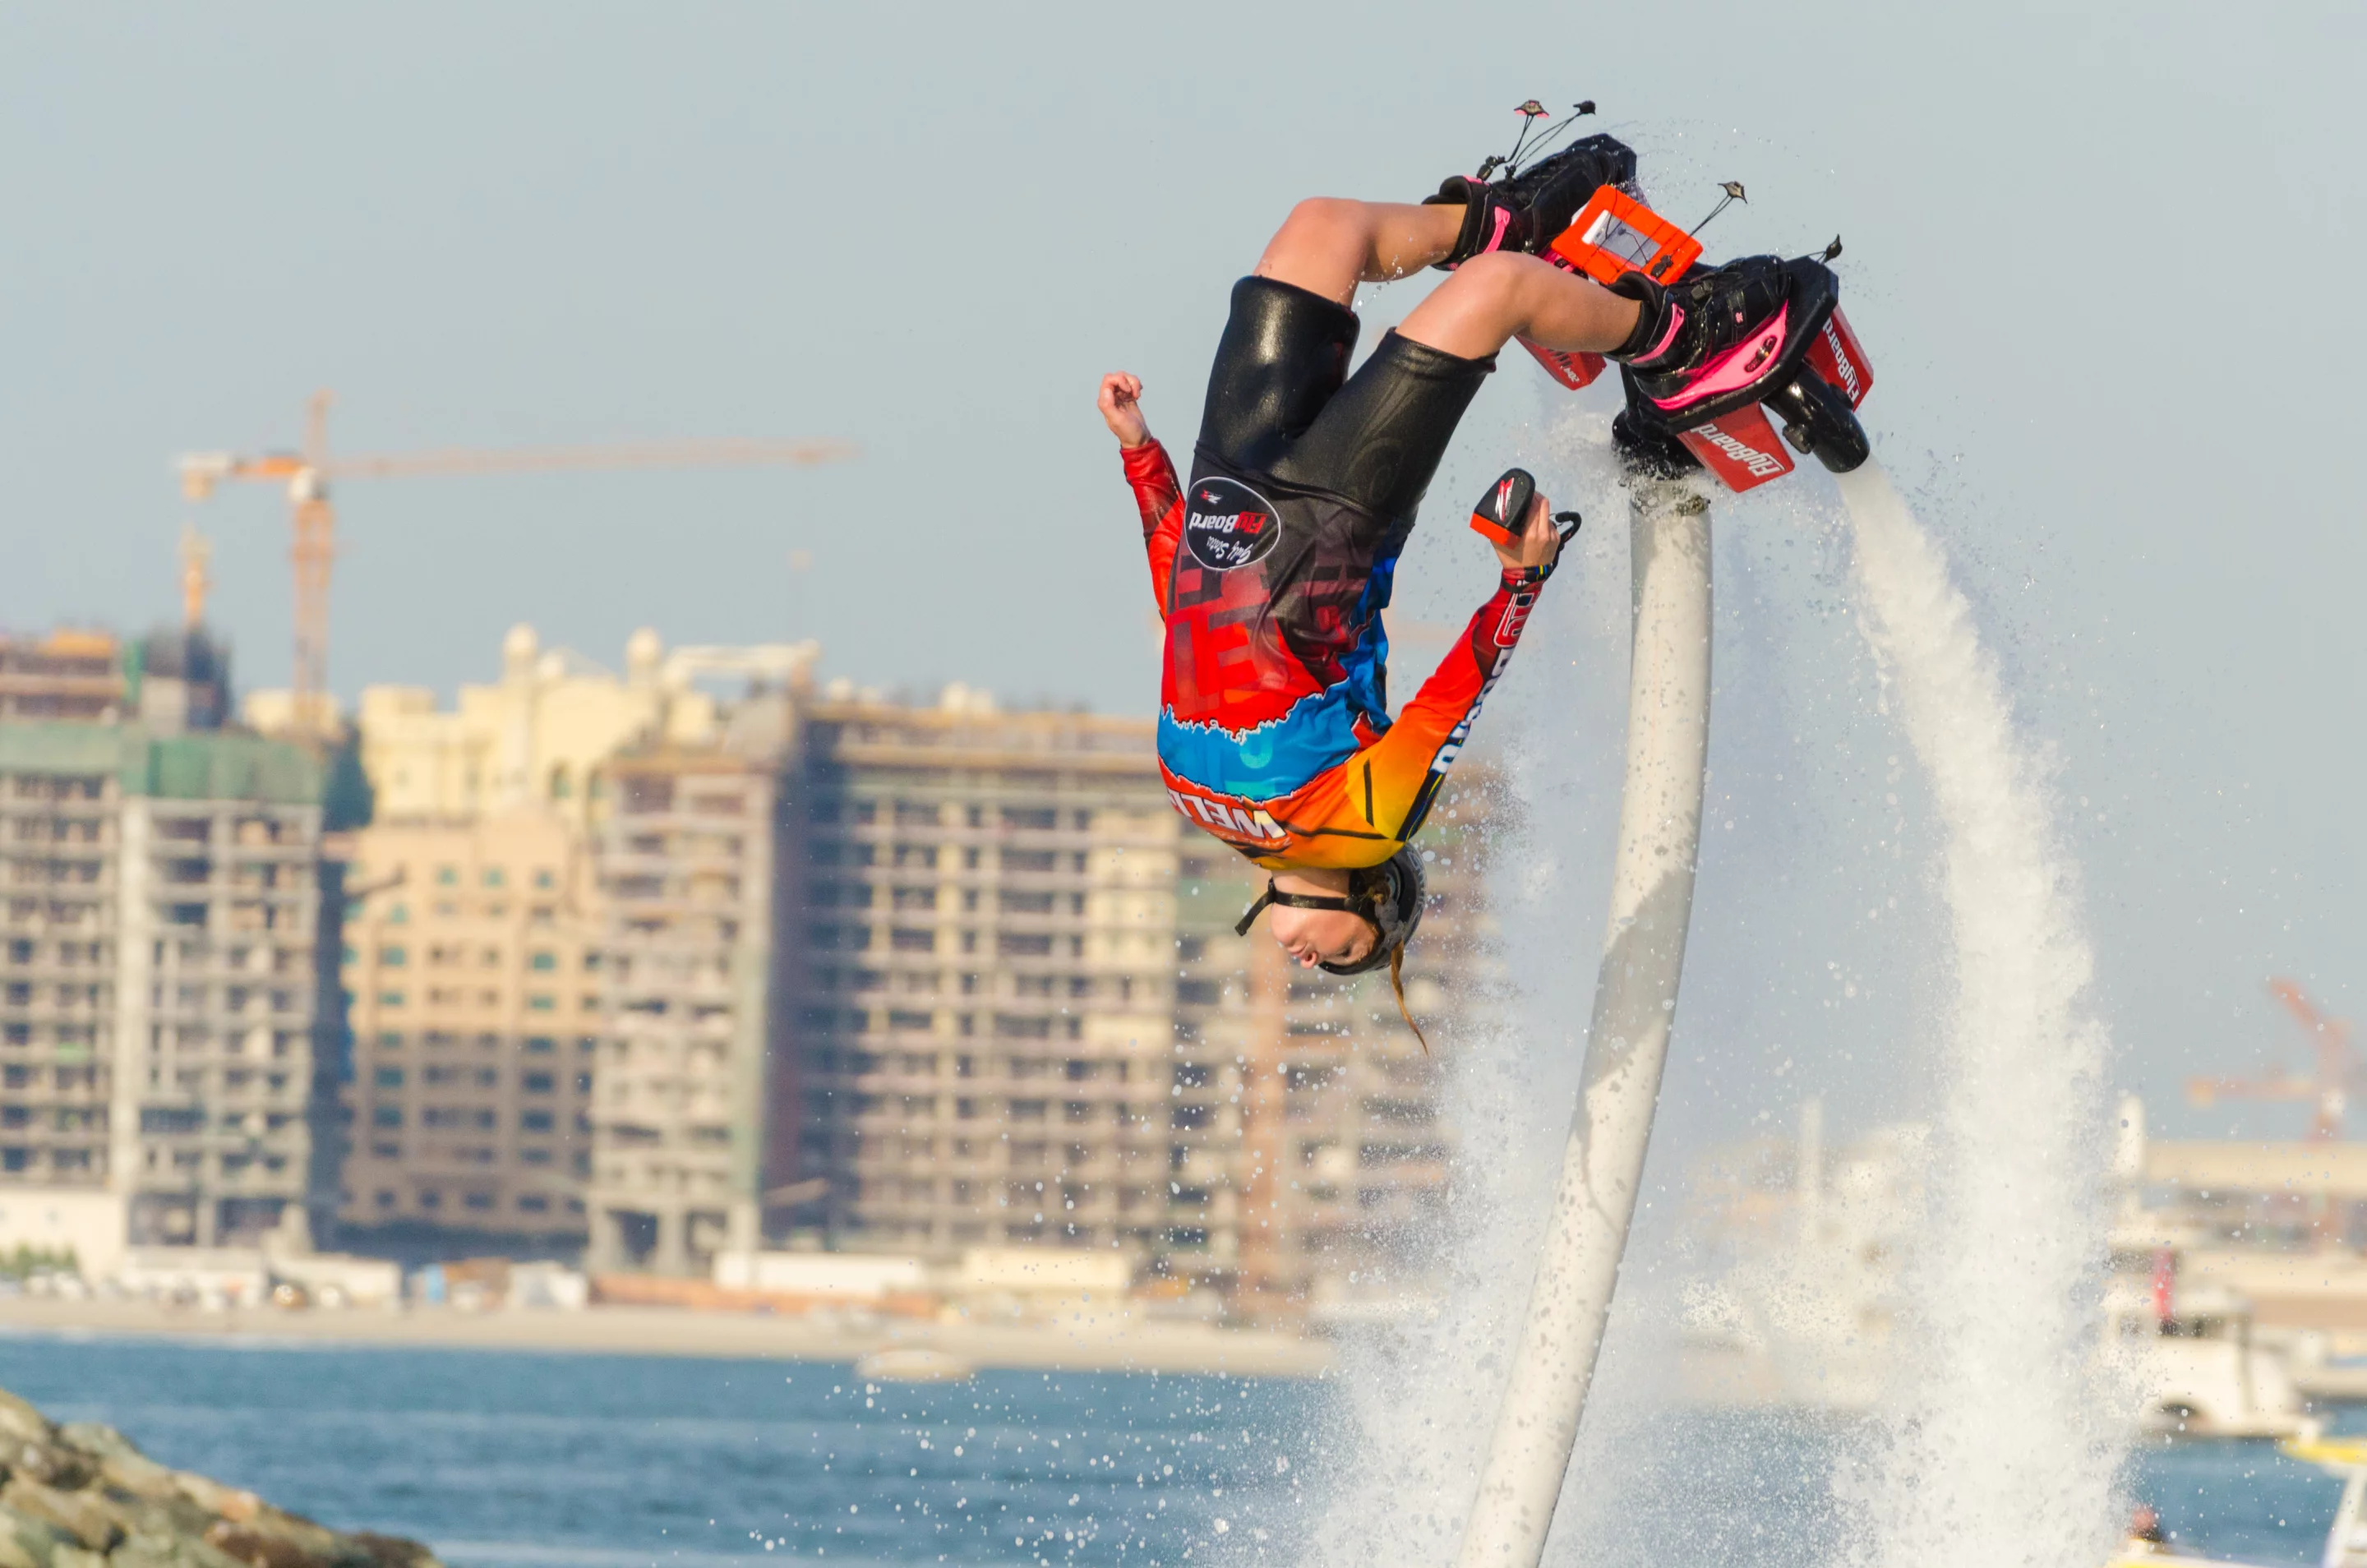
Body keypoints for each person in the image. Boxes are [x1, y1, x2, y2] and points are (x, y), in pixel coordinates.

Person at [1104, 129, 1811, 1011]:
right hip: (1342, 504)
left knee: (1322, 225)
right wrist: (1521, 582)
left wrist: (1143, 461)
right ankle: (1678, 335)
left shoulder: (1194, 804)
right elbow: (1447, 705)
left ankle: (1491, 219)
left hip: (1228, 471)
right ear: (1380, 904)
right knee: (1498, 296)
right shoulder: (1364, 827)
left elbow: (1189, 613)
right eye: (1355, 959)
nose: (1314, 966)